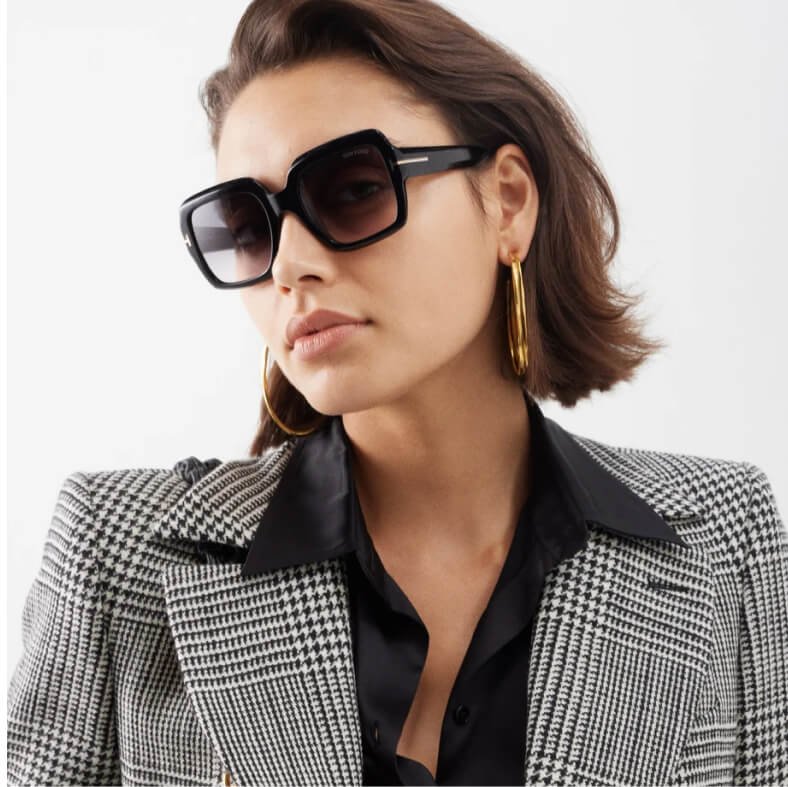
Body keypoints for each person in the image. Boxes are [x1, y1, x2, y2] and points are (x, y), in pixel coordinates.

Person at [7, 1, 788, 785]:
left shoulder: (725, 538)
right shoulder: (121, 557)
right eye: (247, 227)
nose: (289, 264)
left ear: (508, 202)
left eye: (352, 189)